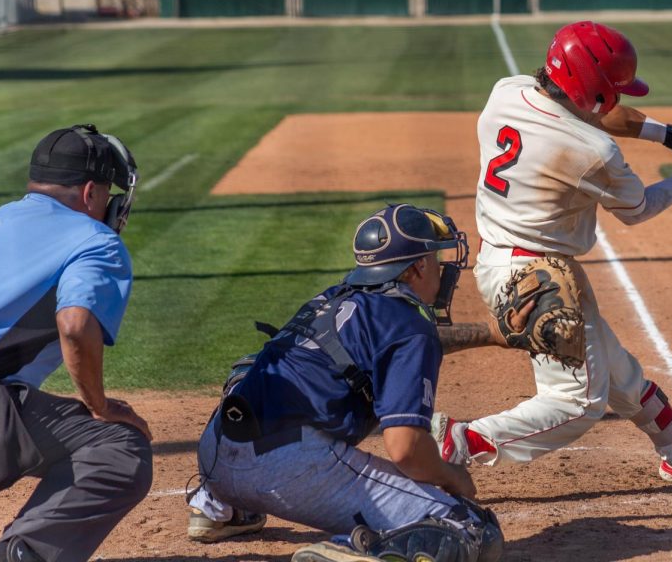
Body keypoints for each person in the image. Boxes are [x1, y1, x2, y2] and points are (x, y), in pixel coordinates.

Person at [432, 21, 672, 487]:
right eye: (613, 91)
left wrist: (670, 135)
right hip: (537, 280)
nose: (617, 100)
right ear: (595, 93)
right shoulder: (592, 150)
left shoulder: (507, 91)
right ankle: (455, 443)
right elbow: (638, 209)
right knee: (575, 403)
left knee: (612, 364)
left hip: (499, 258)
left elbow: (592, 110)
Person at [186, 204, 503, 562]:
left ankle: (214, 509)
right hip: (287, 468)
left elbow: (394, 345)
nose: (444, 269)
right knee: (471, 530)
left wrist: (491, 334)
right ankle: (346, 551)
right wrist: (452, 477)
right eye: (436, 256)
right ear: (419, 266)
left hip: (216, 457)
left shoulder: (334, 298)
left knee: (260, 371)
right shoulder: (410, 327)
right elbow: (406, 450)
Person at [0, 124, 151, 562]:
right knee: (120, 448)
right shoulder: (95, 240)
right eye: (107, 193)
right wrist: (101, 405)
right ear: (90, 193)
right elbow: (74, 324)